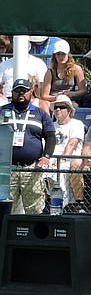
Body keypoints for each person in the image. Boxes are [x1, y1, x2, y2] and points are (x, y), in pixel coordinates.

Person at [0, 78, 55, 214]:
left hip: (31, 169)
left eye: (24, 90)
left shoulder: (40, 113)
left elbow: (50, 137)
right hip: (7, 170)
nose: (21, 93)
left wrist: (46, 156)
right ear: (12, 92)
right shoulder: (2, 111)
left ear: (31, 91)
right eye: (17, 90)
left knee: (35, 209)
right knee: (6, 209)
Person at [39, 39, 86, 110]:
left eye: (63, 54)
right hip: (54, 100)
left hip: (70, 100)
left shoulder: (76, 69)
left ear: (68, 55)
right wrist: (58, 97)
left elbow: (83, 90)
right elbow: (44, 95)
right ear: (54, 56)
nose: (61, 57)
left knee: (75, 106)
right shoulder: (50, 72)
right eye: (58, 54)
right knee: (44, 104)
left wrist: (71, 94)